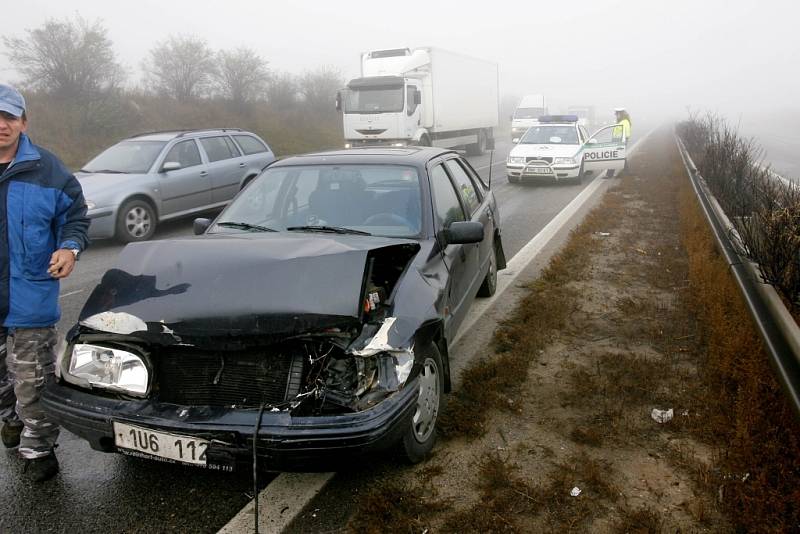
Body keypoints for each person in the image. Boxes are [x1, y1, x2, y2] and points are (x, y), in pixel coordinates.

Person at [0, 84, 89, 482]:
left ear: (23, 121)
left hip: (28, 297)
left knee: (32, 378)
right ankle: (11, 418)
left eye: (9, 117)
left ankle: (38, 447)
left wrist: (70, 248)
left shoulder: (48, 169)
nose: (2, 125)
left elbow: (76, 217)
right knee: (5, 383)